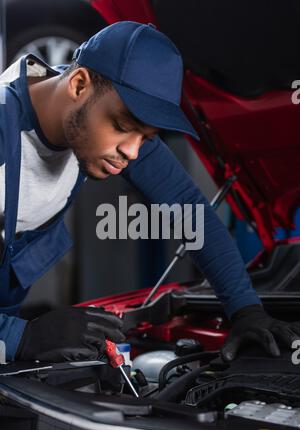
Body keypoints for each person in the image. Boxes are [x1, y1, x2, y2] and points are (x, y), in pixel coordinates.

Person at [0, 21, 299, 363]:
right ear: (79, 84)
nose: (132, 151)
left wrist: (245, 309)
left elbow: (190, 211)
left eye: (146, 136)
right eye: (123, 127)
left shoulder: (101, 123)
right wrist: (22, 336)